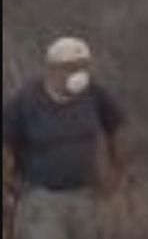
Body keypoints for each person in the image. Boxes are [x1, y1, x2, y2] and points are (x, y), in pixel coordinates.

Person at [2, 37, 127, 239]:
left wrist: (117, 171)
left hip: (85, 195)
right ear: (51, 69)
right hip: (41, 198)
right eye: (70, 67)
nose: (78, 73)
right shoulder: (24, 101)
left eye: (83, 66)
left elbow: (116, 125)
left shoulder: (93, 93)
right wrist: (9, 184)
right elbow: (5, 142)